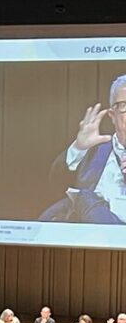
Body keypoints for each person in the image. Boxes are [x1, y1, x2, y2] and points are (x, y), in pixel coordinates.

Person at [39, 74, 126, 224]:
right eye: (125, 105)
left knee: (86, 200)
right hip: (86, 236)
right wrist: (79, 148)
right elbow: (54, 185)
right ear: (112, 115)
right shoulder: (95, 150)